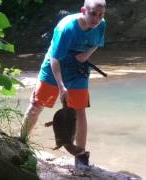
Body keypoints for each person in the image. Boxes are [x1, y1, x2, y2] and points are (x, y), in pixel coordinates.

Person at [21, 0, 106, 169]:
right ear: (83, 10)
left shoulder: (101, 24)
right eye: (93, 14)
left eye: (101, 15)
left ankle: (80, 156)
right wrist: (61, 86)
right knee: (37, 105)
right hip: (54, 69)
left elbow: (97, 42)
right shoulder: (67, 28)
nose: (96, 19)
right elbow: (54, 59)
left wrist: (86, 54)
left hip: (78, 71)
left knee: (80, 111)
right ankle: (21, 143)